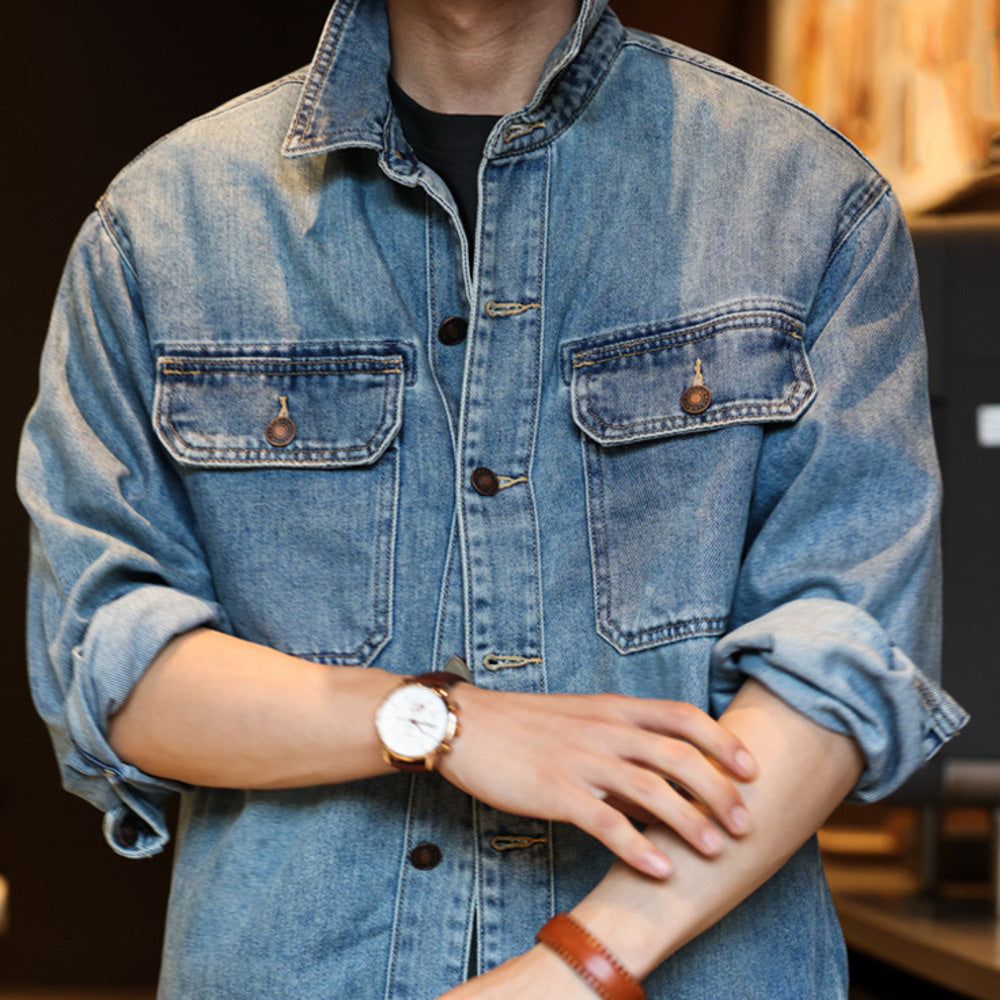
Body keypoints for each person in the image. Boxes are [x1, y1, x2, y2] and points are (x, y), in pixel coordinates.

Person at [17, 1, 968, 997]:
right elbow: (107, 662)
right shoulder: (161, 222)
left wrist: (577, 967)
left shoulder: (805, 195)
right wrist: (440, 722)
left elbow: (842, 654)